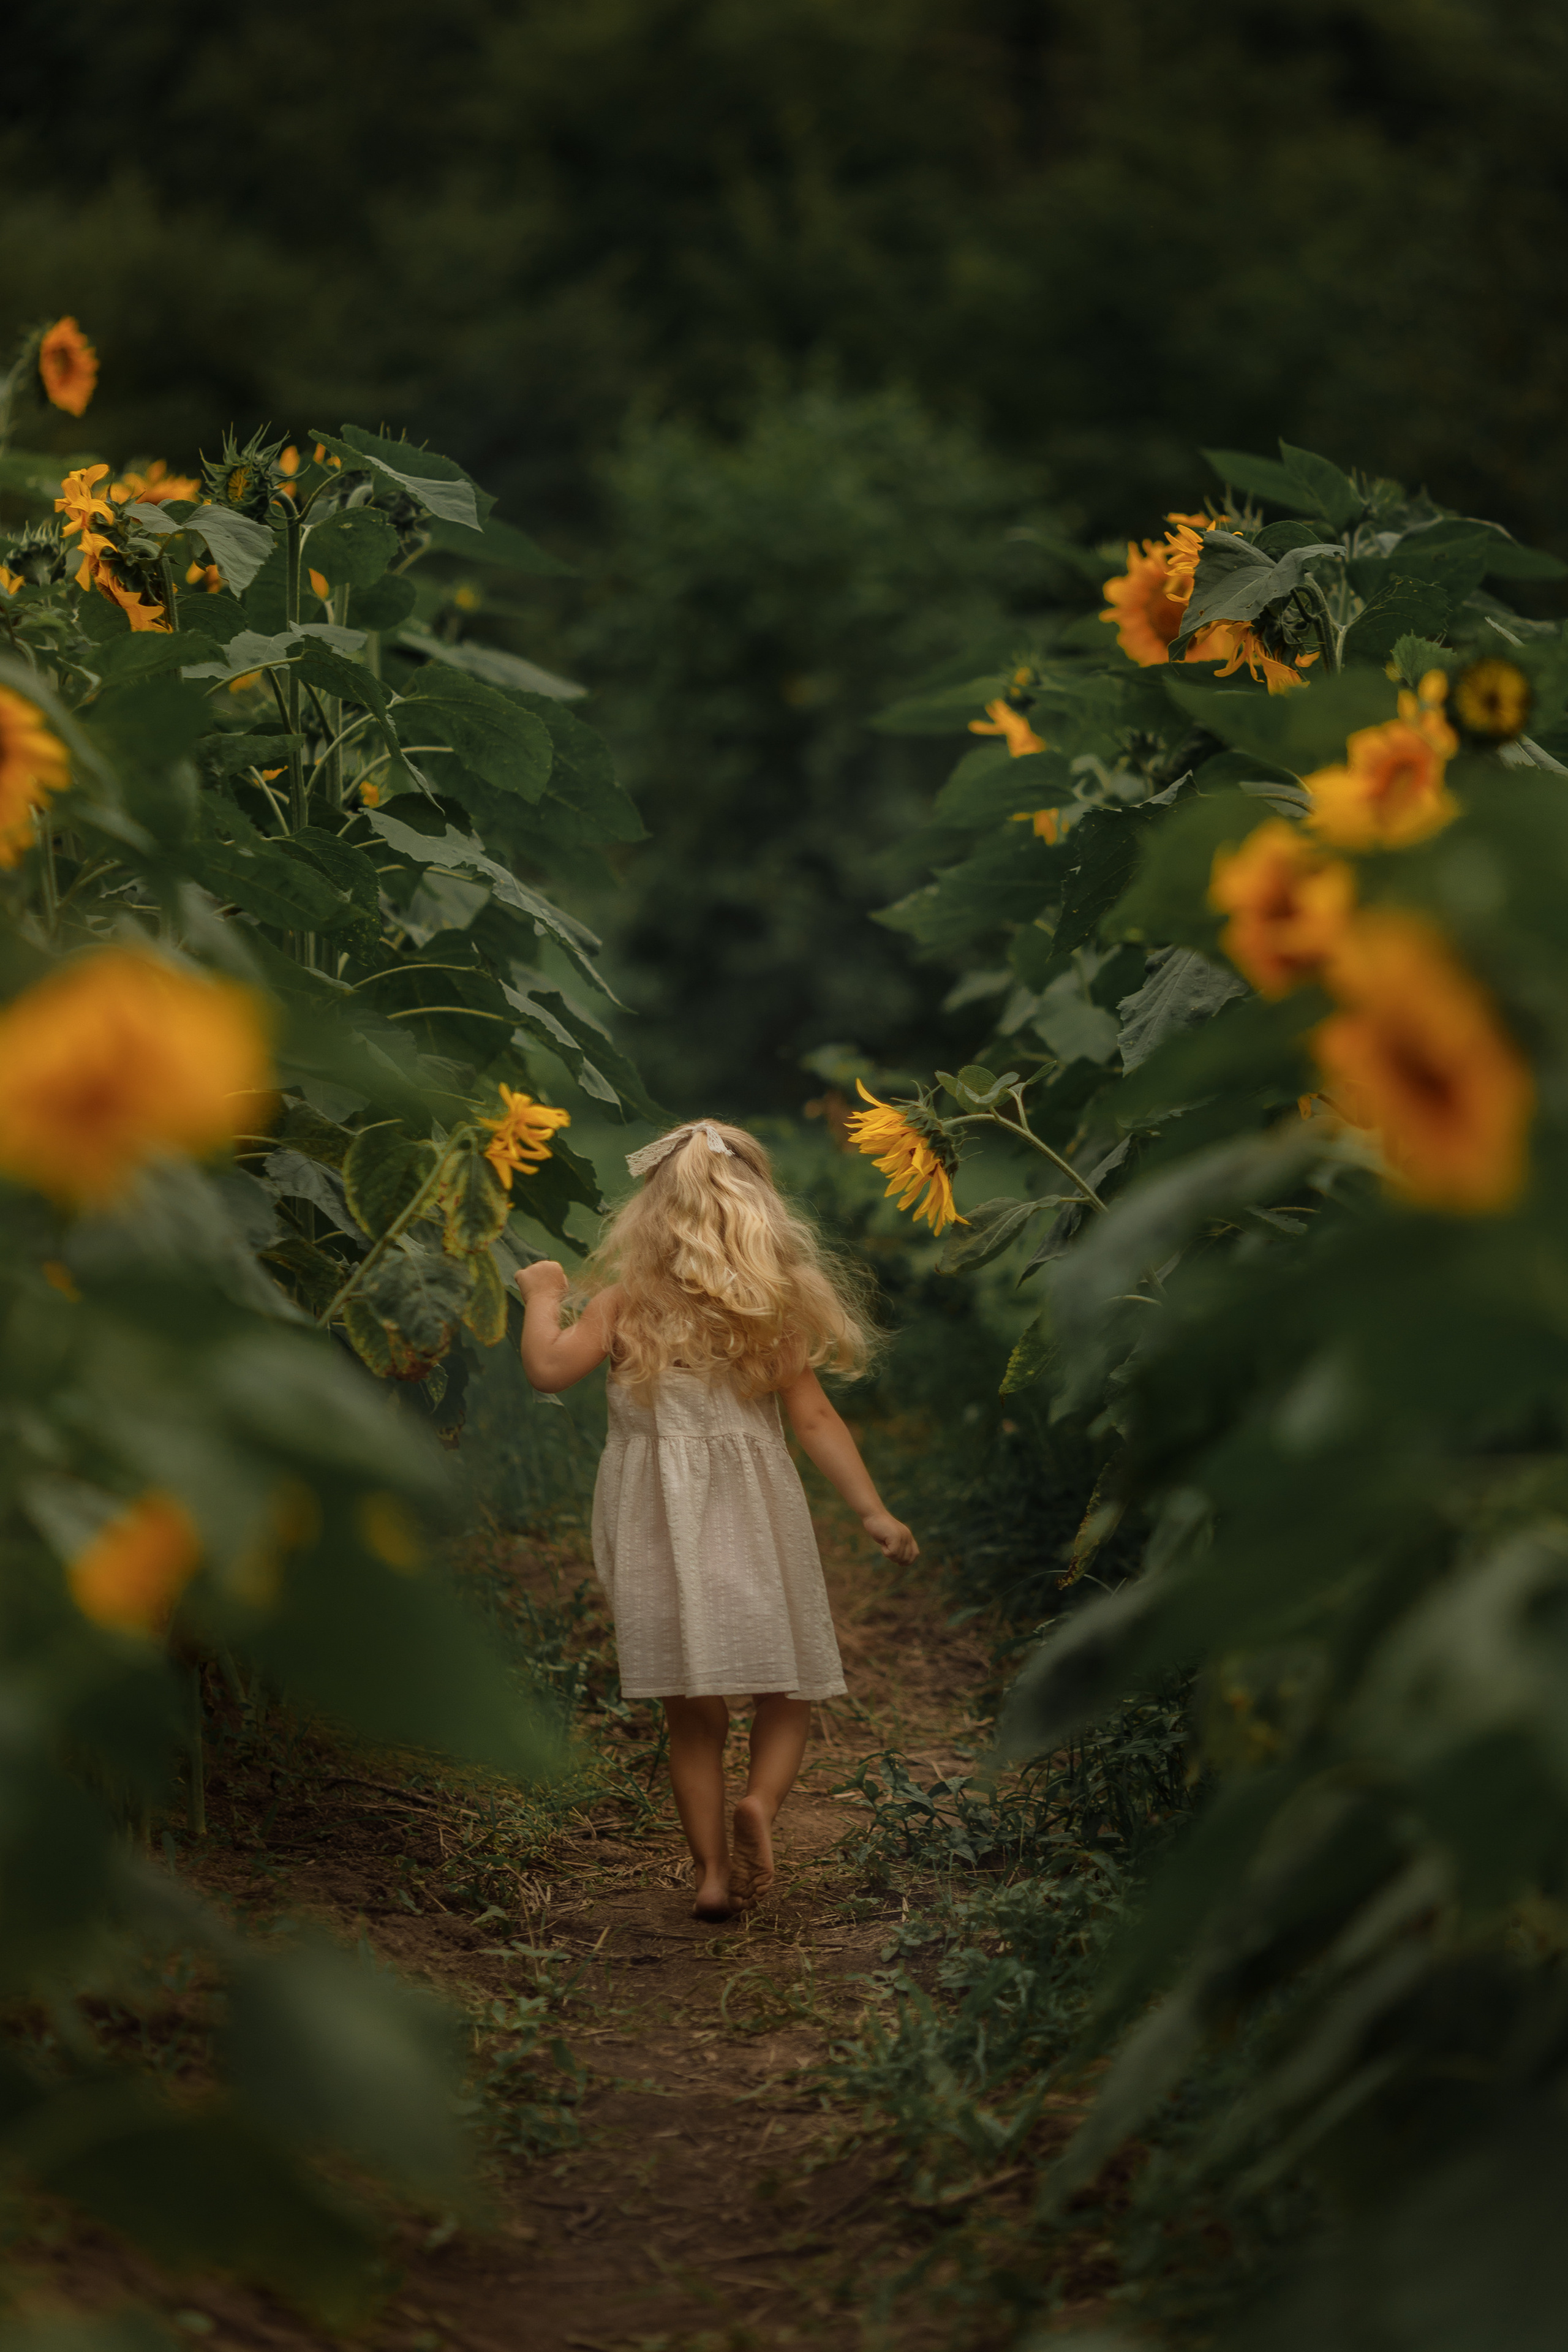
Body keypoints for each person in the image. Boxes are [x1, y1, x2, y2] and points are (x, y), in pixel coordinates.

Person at [514, 1118, 918, 1923]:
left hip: (655, 1530)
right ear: (756, 1210)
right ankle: (760, 1803)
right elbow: (816, 1422)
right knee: (787, 1691)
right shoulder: (769, 1313)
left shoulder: (624, 1305)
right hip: (757, 1527)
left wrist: (545, 1296)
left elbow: (549, 1370)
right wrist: (872, 1511)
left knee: (691, 1716)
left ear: (651, 1216)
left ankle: (710, 1875)